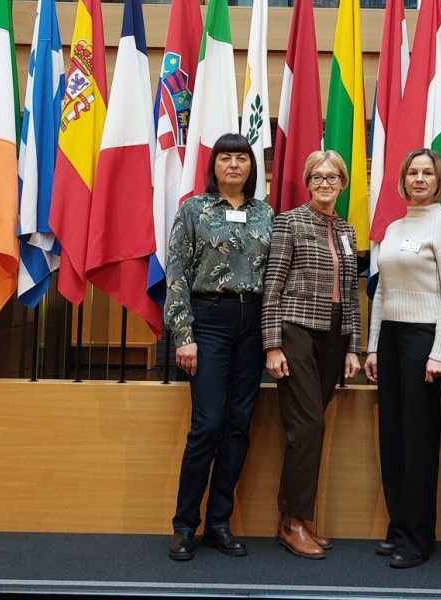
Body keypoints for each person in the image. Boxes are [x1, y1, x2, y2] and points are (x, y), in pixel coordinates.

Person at [164, 133, 274, 562]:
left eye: (241, 158)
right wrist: (184, 335)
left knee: (237, 426)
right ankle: (184, 525)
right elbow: (176, 272)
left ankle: (219, 524)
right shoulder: (194, 210)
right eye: (225, 158)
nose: (233, 165)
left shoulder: (265, 213)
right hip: (208, 320)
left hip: (252, 324)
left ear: (251, 167)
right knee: (207, 426)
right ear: (213, 166)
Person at [363, 148, 441, 569]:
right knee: (393, 437)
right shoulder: (393, 227)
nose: (419, 179)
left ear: (438, 180)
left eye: (427, 173)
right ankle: (400, 526)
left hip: (425, 340)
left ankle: (419, 538)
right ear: (403, 180)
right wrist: (373, 345)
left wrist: (440, 352)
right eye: (413, 173)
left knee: (418, 439)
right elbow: (382, 291)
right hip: (390, 337)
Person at [262, 150, 362, 559]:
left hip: (335, 335)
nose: (325, 184)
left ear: (343, 183)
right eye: (317, 177)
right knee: (307, 427)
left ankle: (297, 518)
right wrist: (272, 345)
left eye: (332, 177)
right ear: (307, 183)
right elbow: (272, 287)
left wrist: (353, 347)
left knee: (310, 428)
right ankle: (292, 522)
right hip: (297, 331)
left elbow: (351, 294)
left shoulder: (348, 230)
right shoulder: (289, 222)